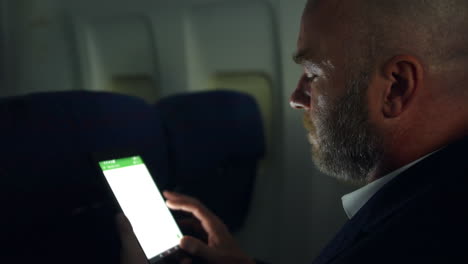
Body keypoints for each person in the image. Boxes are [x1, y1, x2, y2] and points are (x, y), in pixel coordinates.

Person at [119, 0, 468, 263]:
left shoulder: (420, 237)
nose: (296, 98)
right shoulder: (436, 196)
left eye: (313, 74)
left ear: (395, 87)